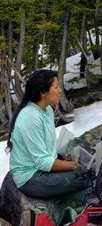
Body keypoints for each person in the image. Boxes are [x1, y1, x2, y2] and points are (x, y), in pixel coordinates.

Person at [6, 69, 92, 202]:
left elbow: (46, 149)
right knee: (86, 177)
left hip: (43, 169)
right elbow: (41, 162)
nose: (60, 91)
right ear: (43, 93)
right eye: (56, 87)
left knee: (88, 171)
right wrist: (75, 167)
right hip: (30, 177)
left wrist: (65, 160)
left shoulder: (47, 111)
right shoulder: (30, 117)